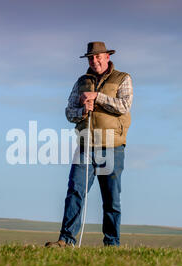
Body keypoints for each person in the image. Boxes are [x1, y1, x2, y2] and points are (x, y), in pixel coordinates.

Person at [45, 41, 133, 247]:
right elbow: (69, 112)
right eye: (91, 58)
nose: (95, 61)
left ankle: (112, 243)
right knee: (75, 191)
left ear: (107, 57)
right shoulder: (81, 82)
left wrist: (98, 97)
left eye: (98, 56)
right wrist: (83, 111)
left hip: (112, 147)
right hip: (85, 147)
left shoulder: (123, 79)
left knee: (111, 198)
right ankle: (66, 240)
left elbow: (124, 106)